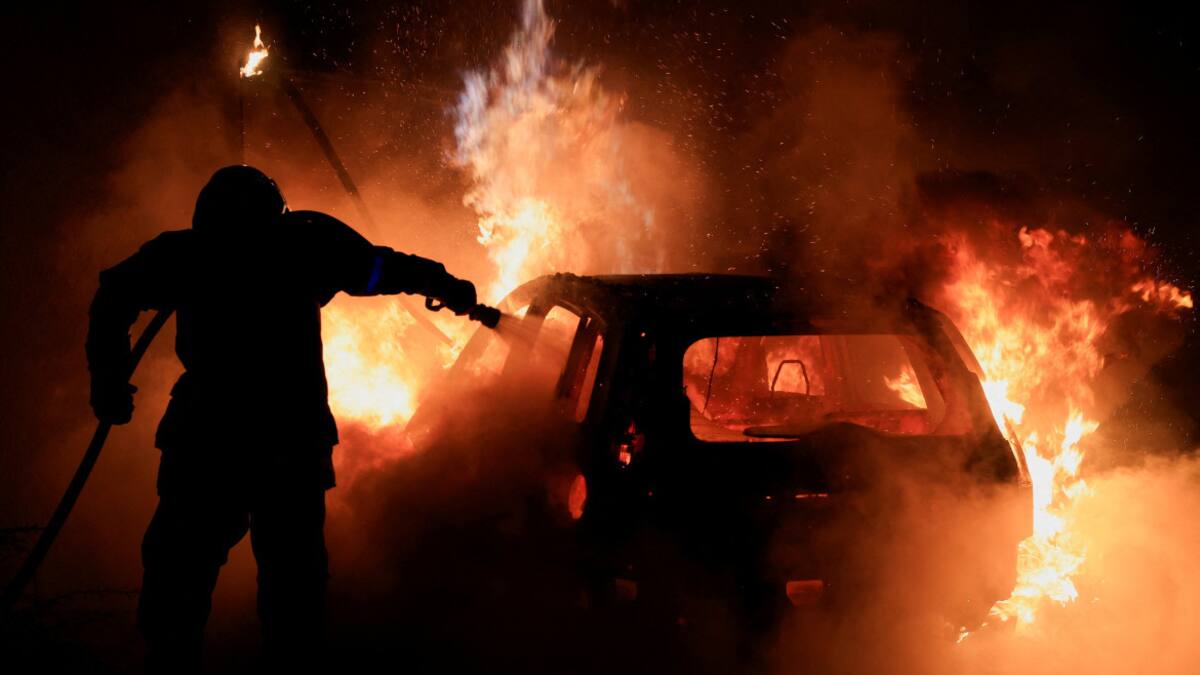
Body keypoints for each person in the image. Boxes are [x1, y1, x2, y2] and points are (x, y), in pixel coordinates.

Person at [85, 165, 478, 672]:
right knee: (283, 589)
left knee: (185, 580)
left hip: (212, 441)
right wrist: (443, 283)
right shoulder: (303, 245)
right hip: (282, 441)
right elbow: (381, 268)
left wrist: (108, 379)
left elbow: (114, 294)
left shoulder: (190, 253)